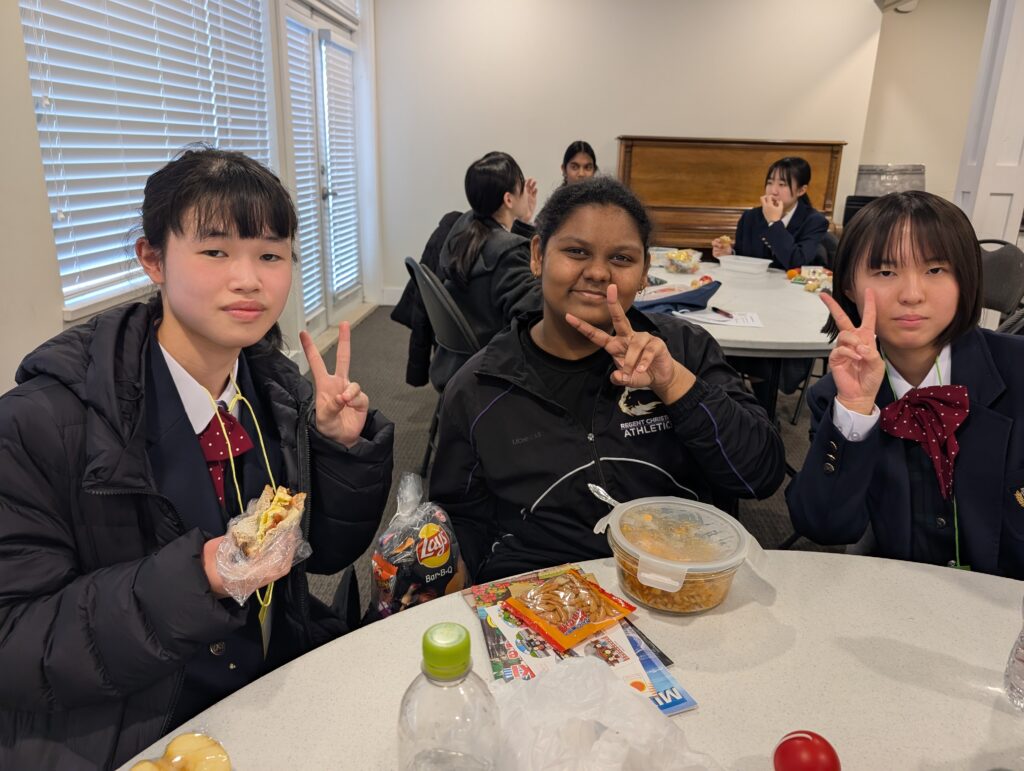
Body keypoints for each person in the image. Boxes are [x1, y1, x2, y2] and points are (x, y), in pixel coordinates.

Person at [0, 148, 395, 769]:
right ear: (153, 258)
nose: (249, 279)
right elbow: (16, 642)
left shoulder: (276, 390)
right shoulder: (40, 424)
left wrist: (339, 449)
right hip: (137, 728)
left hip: (268, 685)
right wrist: (198, 577)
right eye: (215, 251)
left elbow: (324, 553)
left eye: (271, 255)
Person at [430, 177, 786, 582]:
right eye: (576, 251)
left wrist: (675, 385)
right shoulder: (480, 387)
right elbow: (461, 521)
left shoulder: (685, 350)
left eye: (621, 258)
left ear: (644, 271)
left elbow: (759, 476)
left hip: (673, 584)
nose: (598, 272)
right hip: (542, 594)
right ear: (538, 255)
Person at [786, 191, 1024, 578]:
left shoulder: (1018, 370)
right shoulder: (834, 396)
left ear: (966, 278)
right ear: (848, 286)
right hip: (900, 599)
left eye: (936, 270)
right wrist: (856, 411)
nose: (912, 295)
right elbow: (822, 526)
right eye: (885, 272)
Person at [432, 151, 541, 386]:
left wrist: (523, 223)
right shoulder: (509, 252)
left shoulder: (463, 230)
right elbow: (533, 311)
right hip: (489, 366)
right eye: (522, 186)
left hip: (454, 361)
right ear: (509, 199)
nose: (526, 192)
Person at [712, 156, 829, 270]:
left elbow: (797, 263)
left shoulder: (814, 221)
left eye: (782, 184)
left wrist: (774, 223)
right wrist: (729, 254)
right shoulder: (749, 217)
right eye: (770, 182)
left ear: (801, 190)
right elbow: (743, 258)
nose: (773, 191)